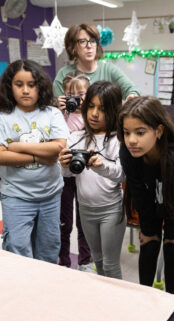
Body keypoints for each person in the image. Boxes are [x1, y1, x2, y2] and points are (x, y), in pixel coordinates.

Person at [0, 60, 67, 262]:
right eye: (19, 84)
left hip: (50, 194)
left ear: (41, 86)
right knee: (17, 247)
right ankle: (21, 289)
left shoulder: (52, 113)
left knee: (49, 247)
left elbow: (57, 148)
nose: (26, 90)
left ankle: (43, 289)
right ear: (9, 87)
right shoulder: (1, 117)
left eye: (32, 84)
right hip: (16, 196)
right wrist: (40, 155)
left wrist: (16, 146)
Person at [119, 96, 174, 294]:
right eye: (126, 133)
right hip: (149, 202)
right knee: (148, 243)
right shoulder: (128, 152)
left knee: (173, 247)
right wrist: (147, 229)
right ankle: (145, 297)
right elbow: (138, 194)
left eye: (140, 132)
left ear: (159, 131)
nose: (132, 140)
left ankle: (171, 300)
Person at [58, 81, 125, 278]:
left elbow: (122, 174)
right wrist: (63, 166)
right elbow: (69, 175)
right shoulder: (76, 136)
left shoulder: (118, 139)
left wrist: (101, 166)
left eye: (102, 109)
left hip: (111, 209)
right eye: (91, 107)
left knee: (111, 265)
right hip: (85, 209)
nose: (94, 114)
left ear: (113, 111)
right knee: (98, 261)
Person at [53, 24, 140, 107]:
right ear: (73, 47)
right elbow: (57, 107)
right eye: (83, 41)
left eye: (93, 41)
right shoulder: (64, 74)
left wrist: (132, 95)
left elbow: (131, 89)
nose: (89, 46)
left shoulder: (109, 69)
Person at [57, 71, 92, 270]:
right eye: (71, 94)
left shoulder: (92, 117)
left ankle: (85, 261)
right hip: (64, 177)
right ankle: (63, 259)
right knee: (64, 222)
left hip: (85, 176)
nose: (76, 99)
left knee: (83, 222)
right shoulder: (60, 116)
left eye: (81, 94)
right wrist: (59, 111)